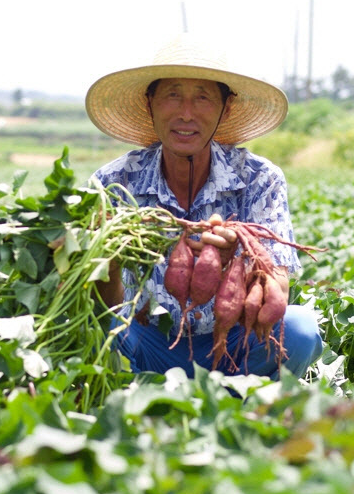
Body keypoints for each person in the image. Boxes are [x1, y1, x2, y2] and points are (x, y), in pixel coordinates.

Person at [85, 33, 322, 380]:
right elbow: (103, 304)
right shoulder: (113, 183)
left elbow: (277, 291)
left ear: (225, 108)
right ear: (149, 102)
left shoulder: (259, 179)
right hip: (145, 347)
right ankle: (141, 404)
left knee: (300, 331)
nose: (186, 113)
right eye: (172, 95)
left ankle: (245, 410)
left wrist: (236, 266)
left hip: (234, 349)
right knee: (89, 330)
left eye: (203, 98)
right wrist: (110, 257)